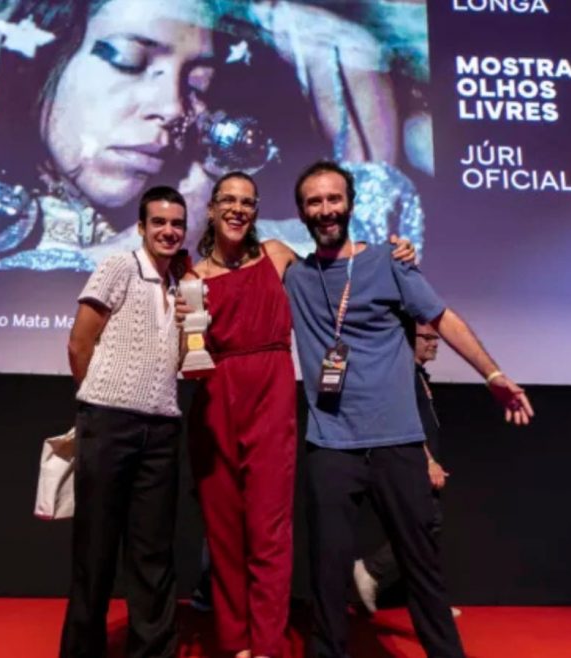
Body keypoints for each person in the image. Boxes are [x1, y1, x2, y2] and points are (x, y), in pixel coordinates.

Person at [0, 0, 432, 270]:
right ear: (44, 53)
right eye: (126, 60)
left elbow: (370, 263)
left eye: (199, 83)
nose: (171, 108)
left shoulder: (206, 194)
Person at [283, 161, 534, 658]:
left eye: (334, 199)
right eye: (314, 201)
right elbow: (258, 252)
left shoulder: (388, 262)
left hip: (396, 440)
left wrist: (492, 375)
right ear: (302, 211)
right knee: (327, 573)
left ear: (350, 204)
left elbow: (442, 317)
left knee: (421, 566)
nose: (326, 209)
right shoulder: (296, 276)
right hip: (330, 443)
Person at [179, 171, 416, 658]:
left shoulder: (277, 256)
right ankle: (235, 643)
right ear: (211, 208)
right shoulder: (191, 279)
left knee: (269, 529)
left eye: (247, 201)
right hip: (215, 402)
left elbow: (340, 264)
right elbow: (183, 355)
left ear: (256, 210)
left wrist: (394, 253)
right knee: (224, 532)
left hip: (271, 399)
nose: (237, 209)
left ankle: (266, 645)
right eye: (228, 199)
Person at [60, 185, 188, 658]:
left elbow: (179, 360)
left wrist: (189, 322)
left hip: (162, 429)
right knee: (95, 553)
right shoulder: (119, 266)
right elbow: (79, 343)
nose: (169, 231)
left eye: (177, 223)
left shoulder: (182, 286)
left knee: (153, 554)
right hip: (110, 424)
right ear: (141, 227)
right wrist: (98, 401)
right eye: (159, 222)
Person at [352, 322, 458, 617]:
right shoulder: (403, 375)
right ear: (411, 340)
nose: (434, 343)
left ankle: (429, 602)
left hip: (420, 462)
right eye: (428, 337)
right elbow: (405, 420)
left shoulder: (418, 374)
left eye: (436, 337)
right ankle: (371, 569)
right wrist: (428, 461)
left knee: (426, 530)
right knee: (425, 526)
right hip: (413, 463)